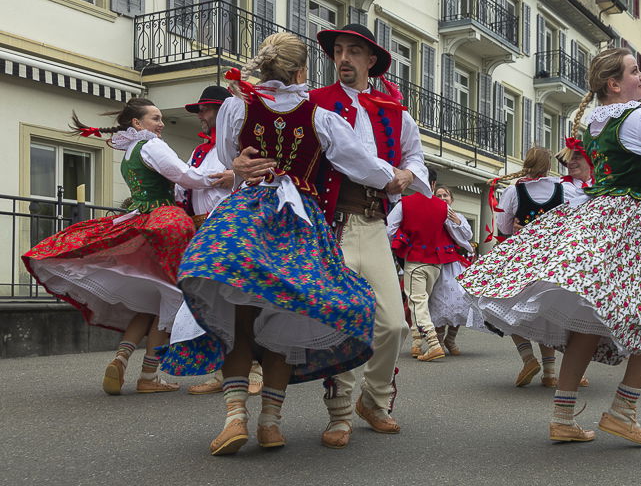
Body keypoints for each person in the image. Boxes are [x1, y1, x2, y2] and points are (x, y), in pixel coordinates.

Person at [160, 32, 404, 456]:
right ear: (301, 71)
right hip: (297, 222)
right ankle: (271, 423)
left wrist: (241, 168)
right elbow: (360, 164)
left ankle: (236, 417)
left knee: (241, 319)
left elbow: (228, 158)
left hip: (248, 217)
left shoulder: (238, 106)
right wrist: (394, 178)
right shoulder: (322, 115)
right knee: (287, 317)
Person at [460, 47, 641, 446]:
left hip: (601, 215)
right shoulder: (636, 115)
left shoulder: (595, 121)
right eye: (636, 72)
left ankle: (563, 416)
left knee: (587, 318)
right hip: (631, 220)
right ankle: (623, 409)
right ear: (614, 83)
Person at [280, 23, 429, 450]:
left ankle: (374, 399)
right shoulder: (312, 103)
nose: (343, 58)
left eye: (353, 52)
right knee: (342, 320)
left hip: (375, 225)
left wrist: (406, 174)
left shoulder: (395, 111)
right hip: (330, 226)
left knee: (393, 325)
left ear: (370, 61)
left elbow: (414, 157)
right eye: (338, 51)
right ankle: (340, 411)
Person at [23, 98, 218, 395]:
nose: (161, 123)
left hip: (143, 221)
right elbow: (183, 177)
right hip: (166, 223)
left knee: (152, 300)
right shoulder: (152, 145)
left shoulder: (130, 151)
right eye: (155, 118)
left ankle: (121, 357)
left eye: (161, 118)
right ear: (137, 124)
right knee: (171, 296)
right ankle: (149, 376)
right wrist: (223, 176)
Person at [174, 86, 263, 397]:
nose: (201, 115)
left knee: (240, 296)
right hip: (204, 231)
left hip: (231, 229)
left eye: (206, 109)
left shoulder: (239, 146)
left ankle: (253, 367)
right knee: (213, 300)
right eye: (200, 110)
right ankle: (222, 369)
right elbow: (184, 186)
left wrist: (232, 176)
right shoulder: (199, 151)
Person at [491, 146, 587, 388]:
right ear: (548, 165)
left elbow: (502, 226)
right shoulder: (564, 189)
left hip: (522, 258)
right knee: (547, 310)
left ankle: (527, 358)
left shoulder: (514, 190)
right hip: (551, 259)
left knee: (506, 306)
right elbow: (578, 219)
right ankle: (550, 372)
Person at [387, 167, 467, 361]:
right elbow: (461, 236)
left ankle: (432, 343)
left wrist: (401, 242)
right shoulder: (443, 207)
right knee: (421, 302)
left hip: (415, 260)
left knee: (417, 303)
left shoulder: (404, 203)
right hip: (436, 264)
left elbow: (389, 230)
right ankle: (416, 343)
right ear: (432, 184)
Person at [423, 184, 478, 352]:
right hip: (437, 263)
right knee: (439, 302)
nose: (442, 198)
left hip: (454, 264)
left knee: (460, 300)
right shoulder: (431, 215)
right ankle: (438, 342)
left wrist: (457, 221)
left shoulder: (458, 216)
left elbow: (468, 235)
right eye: (438, 196)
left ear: (451, 199)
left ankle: (451, 339)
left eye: (445, 195)